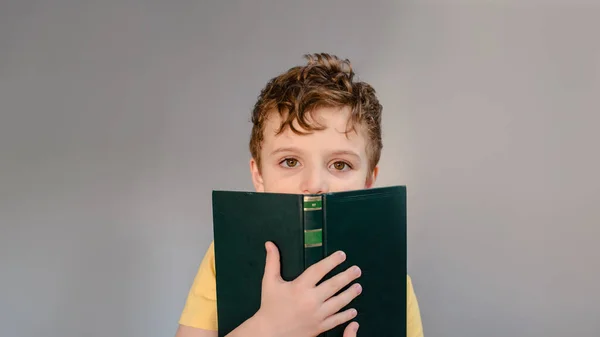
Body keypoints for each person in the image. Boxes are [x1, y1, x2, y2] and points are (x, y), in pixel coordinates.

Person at [175, 53, 424, 337]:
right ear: (259, 175)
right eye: (290, 162)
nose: (315, 184)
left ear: (368, 181)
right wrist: (270, 327)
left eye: (340, 165)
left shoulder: (391, 275)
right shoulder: (223, 255)